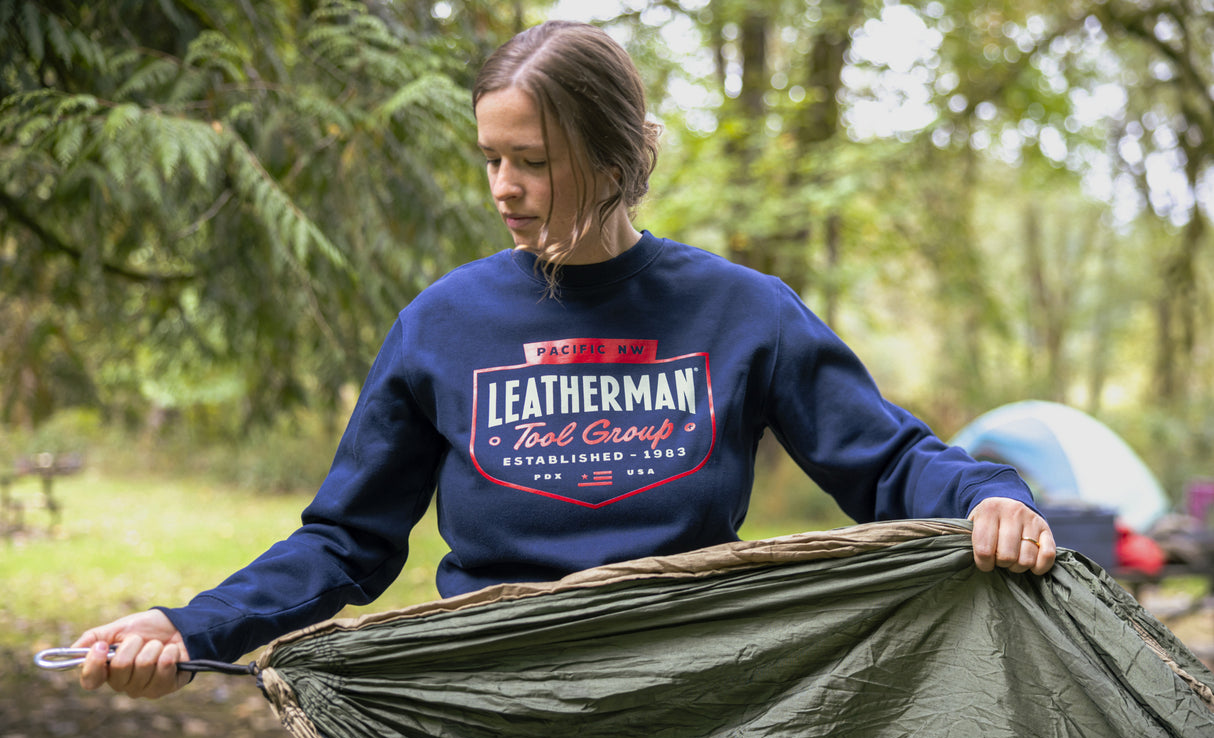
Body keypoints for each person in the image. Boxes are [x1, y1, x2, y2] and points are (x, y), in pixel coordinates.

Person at [76, 20, 1055, 700]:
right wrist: (191, 626)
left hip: (697, 697)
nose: (503, 189)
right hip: (492, 700)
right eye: (489, 159)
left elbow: (882, 464)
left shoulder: (741, 312)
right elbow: (346, 542)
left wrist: (986, 498)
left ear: (615, 154)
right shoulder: (439, 324)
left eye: (532, 161)